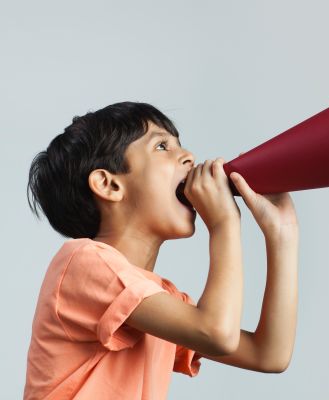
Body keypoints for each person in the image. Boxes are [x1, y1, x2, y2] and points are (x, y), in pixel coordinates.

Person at [24, 101, 299, 399]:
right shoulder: (81, 262)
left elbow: (268, 354)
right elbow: (217, 333)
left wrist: (282, 234)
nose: (188, 156)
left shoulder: (158, 301)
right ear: (109, 184)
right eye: (162, 147)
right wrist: (223, 224)